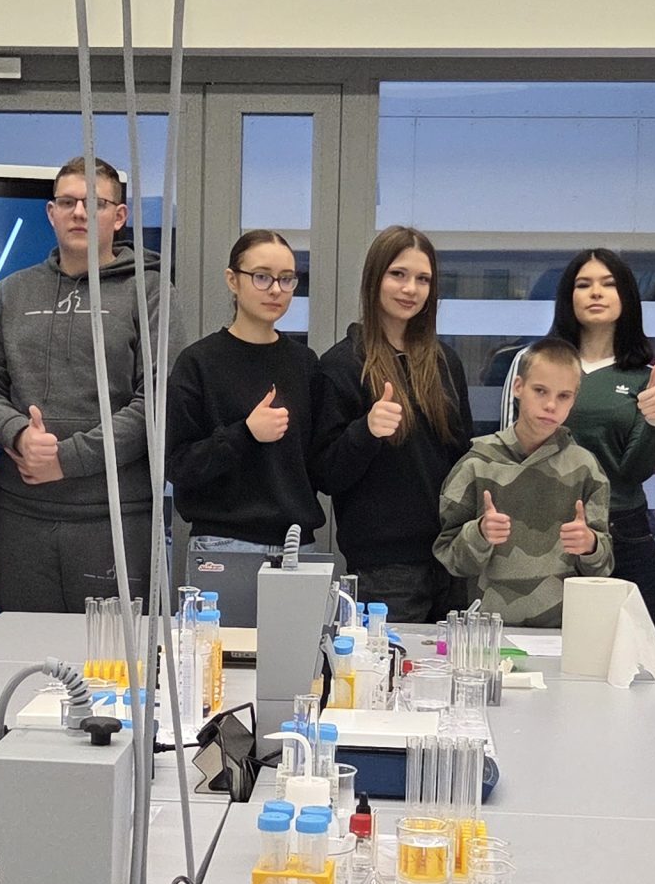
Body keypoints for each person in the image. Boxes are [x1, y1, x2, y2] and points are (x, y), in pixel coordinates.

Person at [0, 157, 163, 612]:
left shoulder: (150, 292)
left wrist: (67, 458)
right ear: (51, 212)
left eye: (95, 203)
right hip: (21, 519)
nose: (79, 212)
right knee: (24, 650)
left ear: (119, 216)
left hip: (114, 518)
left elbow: (158, 400)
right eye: (67, 202)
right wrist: (18, 434)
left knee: (110, 654)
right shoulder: (11, 291)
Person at [310, 227, 475, 622]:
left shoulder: (445, 363)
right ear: (375, 278)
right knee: (389, 664)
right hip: (383, 570)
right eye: (398, 274)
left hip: (450, 557)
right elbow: (325, 474)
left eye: (423, 279)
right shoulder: (343, 364)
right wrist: (365, 431)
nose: (410, 289)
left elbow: (462, 456)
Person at [166, 231, 324, 567]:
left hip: (296, 545)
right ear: (232, 280)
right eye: (262, 277)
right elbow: (178, 465)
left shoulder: (304, 363)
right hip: (223, 544)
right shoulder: (199, 362)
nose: (276, 290)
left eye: (286, 279)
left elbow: (318, 462)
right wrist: (246, 433)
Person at [434, 336, 613, 626]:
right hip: (485, 630)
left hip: (561, 629)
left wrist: (590, 544)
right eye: (540, 391)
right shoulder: (477, 463)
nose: (551, 405)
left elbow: (602, 569)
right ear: (518, 387)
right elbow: (449, 559)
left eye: (563, 396)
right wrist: (479, 533)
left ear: (574, 400)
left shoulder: (585, 468)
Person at [549, 248, 655, 609]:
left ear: (626, 296)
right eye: (583, 284)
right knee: (547, 639)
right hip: (549, 526)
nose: (596, 293)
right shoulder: (538, 364)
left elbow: (634, 473)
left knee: (626, 642)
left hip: (623, 530)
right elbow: (513, 451)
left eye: (608, 284)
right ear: (568, 297)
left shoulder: (647, 378)